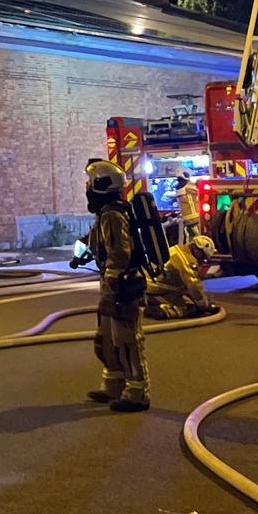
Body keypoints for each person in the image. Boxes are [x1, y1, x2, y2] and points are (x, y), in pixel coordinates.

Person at [84, 160, 150, 412]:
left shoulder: (113, 214)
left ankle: (137, 392)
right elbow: (98, 244)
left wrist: (112, 288)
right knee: (107, 339)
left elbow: (120, 253)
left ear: (101, 185)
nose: (87, 188)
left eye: (90, 183)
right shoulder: (106, 213)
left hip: (122, 285)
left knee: (126, 340)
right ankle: (113, 384)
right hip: (113, 284)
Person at [144, 235, 218, 319]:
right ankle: (164, 310)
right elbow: (194, 286)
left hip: (149, 287)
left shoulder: (178, 249)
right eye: (203, 256)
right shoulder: (188, 261)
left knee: (184, 293)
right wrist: (204, 305)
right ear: (197, 249)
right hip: (157, 292)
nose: (202, 260)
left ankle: (151, 302)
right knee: (190, 307)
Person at [173, 169, 202, 242]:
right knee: (199, 240)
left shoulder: (183, 188)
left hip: (189, 221)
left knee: (193, 241)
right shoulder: (189, 187)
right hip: (194, 220)